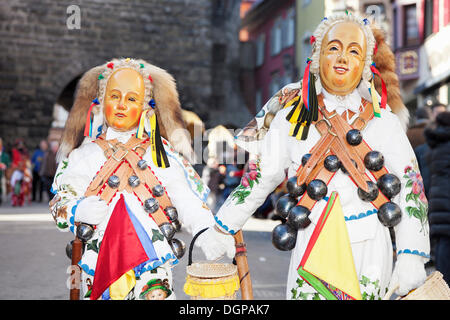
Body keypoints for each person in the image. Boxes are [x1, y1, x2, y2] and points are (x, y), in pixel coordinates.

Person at [203, 13, 430, 300]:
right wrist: (224, 225)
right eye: (333, 48)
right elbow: (262, 176)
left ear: (366, 65)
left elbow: (410, 185)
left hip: (369, 248)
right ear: (317, 55)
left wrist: (411, 254)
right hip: (312, 240)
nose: (342, 58)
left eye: (354, 51)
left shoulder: (384, 122)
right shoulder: (290, 118)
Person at [49, 58, 235, 300]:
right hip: (99, 261)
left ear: (147, 108)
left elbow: (183, 196)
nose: (122, 105)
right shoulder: (84, 155)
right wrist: (77, 210)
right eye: (114, 96)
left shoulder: (161, 154)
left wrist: (206, 231)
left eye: (131, 99)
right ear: (100, 102)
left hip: (152, 260)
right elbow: (60, 202)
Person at [424, 111, 450, 285]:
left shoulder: (431, 148)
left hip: (437, 201)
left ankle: (442, 287)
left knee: (442, 243)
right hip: (447, 200)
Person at [10, 138, 32, 206]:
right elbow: (13, 162)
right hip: (17, 170)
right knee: (13, 182)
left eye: (21, 144)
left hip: (24, 170)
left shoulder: (25, 152)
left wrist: (26, 167)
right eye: (19, 144)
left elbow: (28, 163)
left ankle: (24, 199)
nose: (20, 145)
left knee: (27, 182)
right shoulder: (14, 151)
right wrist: (17, 167)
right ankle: (14, 200)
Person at [0, 138, 11, 205]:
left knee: (3, 184)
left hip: (3, 174)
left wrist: (4, 166)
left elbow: (8, 165)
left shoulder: (5, 155)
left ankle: (3, 197)